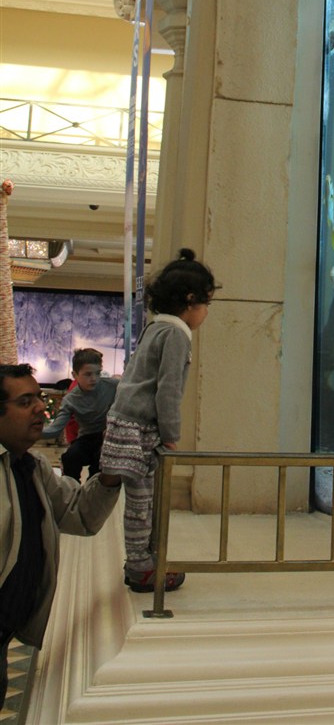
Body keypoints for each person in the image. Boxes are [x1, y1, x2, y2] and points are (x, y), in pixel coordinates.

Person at [0, 363, 121, 708]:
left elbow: (81, 514)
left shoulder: (32, 467)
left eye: (38, 398)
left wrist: (112, 471)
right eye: (25, 402)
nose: (40, 407)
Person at [101, 248, 217, 594]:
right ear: (191, 300)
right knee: (143, 503)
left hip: (124, 421)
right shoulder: (176, 335)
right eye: (207, 303)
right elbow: (168, 390)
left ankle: (143, 562)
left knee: (142, 500)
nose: (207, 312)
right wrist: (170, 434)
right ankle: (141, 568)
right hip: (139, 429)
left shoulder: (156, 327)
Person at [41, 348, 119, 481]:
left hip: (109, 436)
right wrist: (31, 431)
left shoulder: (113, 386)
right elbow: (55, 428)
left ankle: (95, 490)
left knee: (101, 459)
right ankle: (70, 489)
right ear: (75, 375)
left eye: (98, 373)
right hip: (86, 437)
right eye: (88, 374)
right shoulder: (71, 400)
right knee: (70, 457)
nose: (94, 379)